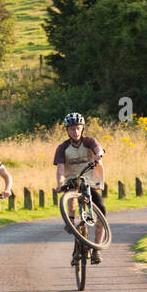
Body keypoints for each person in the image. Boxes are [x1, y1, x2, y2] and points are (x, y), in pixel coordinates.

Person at [53, 112, 106, 264]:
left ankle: (96, 250)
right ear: (67, 130)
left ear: (82, 128)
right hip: (73, 180)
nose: (75, 132)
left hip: (90, 181)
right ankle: (70, 219)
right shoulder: (63, 147)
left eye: (78, 128)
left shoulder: (89, 141)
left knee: (101, 209)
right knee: (72, 188)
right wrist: (59, 182)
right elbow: (61, 168)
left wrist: (98, 155)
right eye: (72, 129)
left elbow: (99, 149)